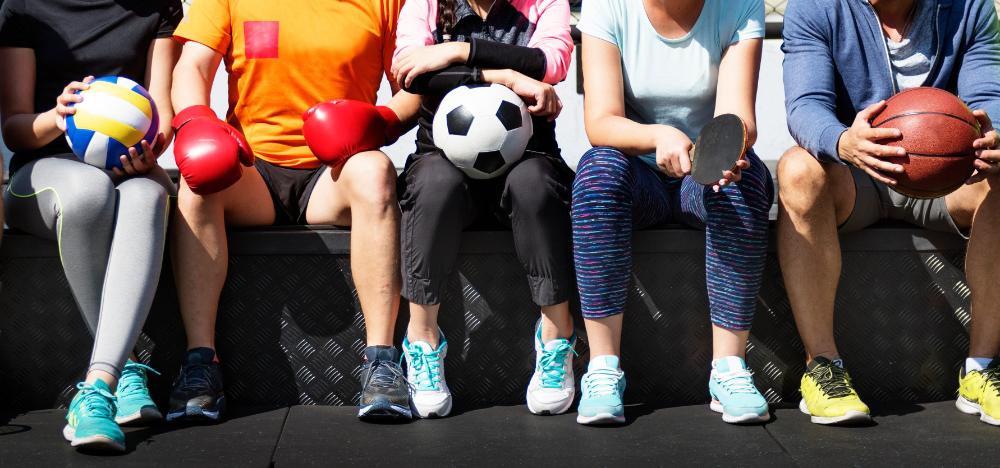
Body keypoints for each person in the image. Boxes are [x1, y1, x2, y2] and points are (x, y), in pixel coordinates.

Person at [168, 0, 422, 422]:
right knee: (196, 186)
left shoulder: (386, 2)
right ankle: (199, 365)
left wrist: (377, 122)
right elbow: (191, 67)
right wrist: (196, 120)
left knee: (377, 171)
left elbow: (411, 90)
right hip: (255, 169)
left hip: (336, 168)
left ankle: (381, 363)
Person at [779, 0, 1000, 426]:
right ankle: (823, 366)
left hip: (947, 179)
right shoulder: (814, 7)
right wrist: (843, 141)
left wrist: (994, 138)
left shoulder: (969, 7)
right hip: (856, 173)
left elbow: (989, 98)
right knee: (797, 169)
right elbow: (805, 106)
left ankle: (983, 368)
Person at [573, 0, 772, 425]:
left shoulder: (740, 6)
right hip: (639, 175)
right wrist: (659, 135)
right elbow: (601, 122)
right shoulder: (607, 7)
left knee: (748, 178)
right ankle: (603, 369)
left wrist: (724, 158)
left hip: (699, 179)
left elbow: (739, 120)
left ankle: (729, 369)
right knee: (596, 172)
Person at [0, 0, 180, 451]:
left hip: (123, 169)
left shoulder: (158, 7)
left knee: (150, 194)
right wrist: (56, 118)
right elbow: (15, 129)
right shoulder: (24, 6)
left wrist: (151, 147)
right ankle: (130, 366)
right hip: (41, 173)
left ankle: (99, 386)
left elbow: (164, 109)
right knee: (88, 193)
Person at [391, 0, 575, 418]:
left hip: (529, 154)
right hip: (442, 159)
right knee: (434, 185)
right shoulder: (426, 4)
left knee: (535, 187)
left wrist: (459, 52)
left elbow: (549, 63)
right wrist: (503, 75)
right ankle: (421, 341)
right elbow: (411, 73)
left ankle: (556, 336)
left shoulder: (545, 3)